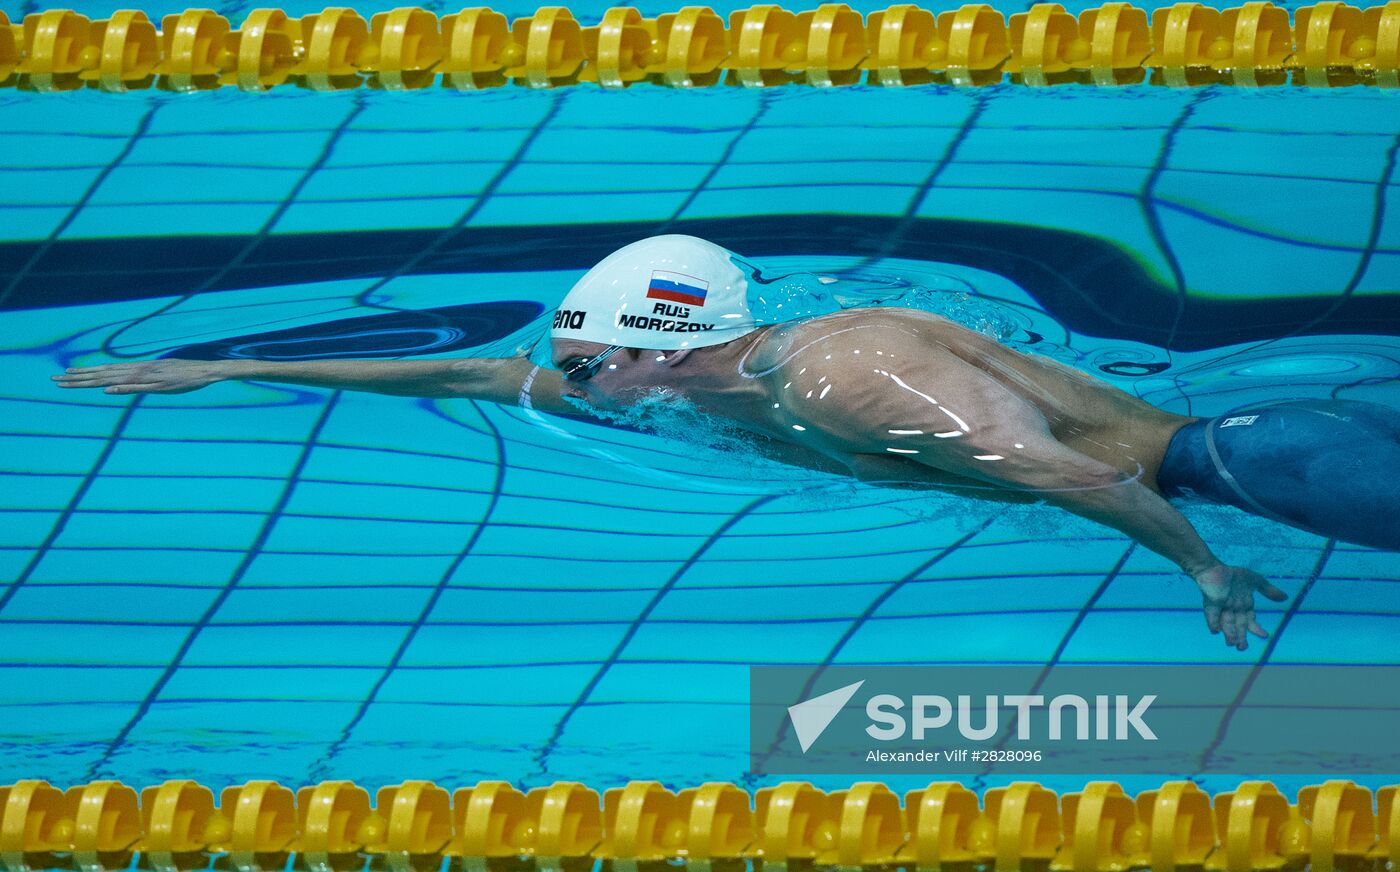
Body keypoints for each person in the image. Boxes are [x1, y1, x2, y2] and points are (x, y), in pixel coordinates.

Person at [54, 235, 1400, 651]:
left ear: (656, 340)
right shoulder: (689, 385)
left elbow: (1081, 474)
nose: (564, 378)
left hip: (1242, 465)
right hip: (1242, 448)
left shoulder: (852, 382)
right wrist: (205, 363)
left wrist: (1204, 574)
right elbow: (472, 365)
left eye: (584, 360)